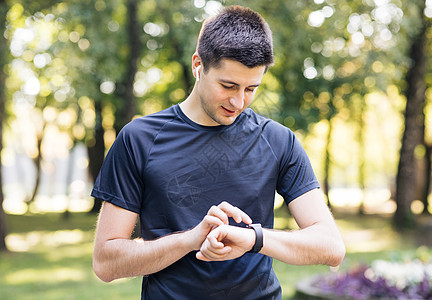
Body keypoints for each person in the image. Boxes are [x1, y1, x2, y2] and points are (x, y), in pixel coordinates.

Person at [92, 5, 345, 300]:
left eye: (251, 88)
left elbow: (331, 247)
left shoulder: (278, 141)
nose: (239, 101)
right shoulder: (138, 140)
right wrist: (190, 240)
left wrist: (253, 239)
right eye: (228, 85)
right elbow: (106, 263)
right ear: (198, 65)